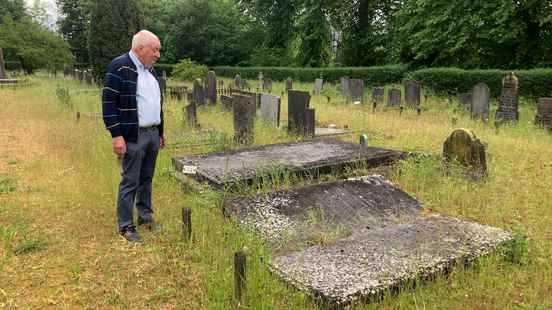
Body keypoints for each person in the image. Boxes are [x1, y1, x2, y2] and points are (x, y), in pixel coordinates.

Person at [102, 30, 165, 243]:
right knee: (130, 181)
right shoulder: (119, 66)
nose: (158, 54)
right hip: (133, 135)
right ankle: (126, 226)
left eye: (158, 50)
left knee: (146, 179)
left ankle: (145, 216)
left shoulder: (151, 72)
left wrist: (161, 132)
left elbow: (156, 103)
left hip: (153, 134)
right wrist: (116, 135)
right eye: (155, 50)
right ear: (140, 48)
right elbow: (108, 103)